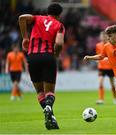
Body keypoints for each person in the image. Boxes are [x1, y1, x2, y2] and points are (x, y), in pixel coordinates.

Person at [18, 2, 65, 130]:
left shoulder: (37, 18)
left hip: (32, 57)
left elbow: (21, 18)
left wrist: (25, 38)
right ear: (59, 15)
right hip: (48, 57)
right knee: (49, 91)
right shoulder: (59, 25)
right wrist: (57, 54)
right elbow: (59, 44)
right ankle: (49, 109)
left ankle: (50, 117)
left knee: (40, 91)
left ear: (47, 11)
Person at [95, 31, 116, 105]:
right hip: (101, 67)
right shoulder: (98, 45)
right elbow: (98, 55)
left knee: (112, 84)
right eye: (101, 36)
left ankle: (115, 98)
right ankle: (101, 99)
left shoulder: (110, 45)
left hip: (110, 67)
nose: (103, 38)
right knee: (100, 82)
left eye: (104, 36)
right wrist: (97, 60)